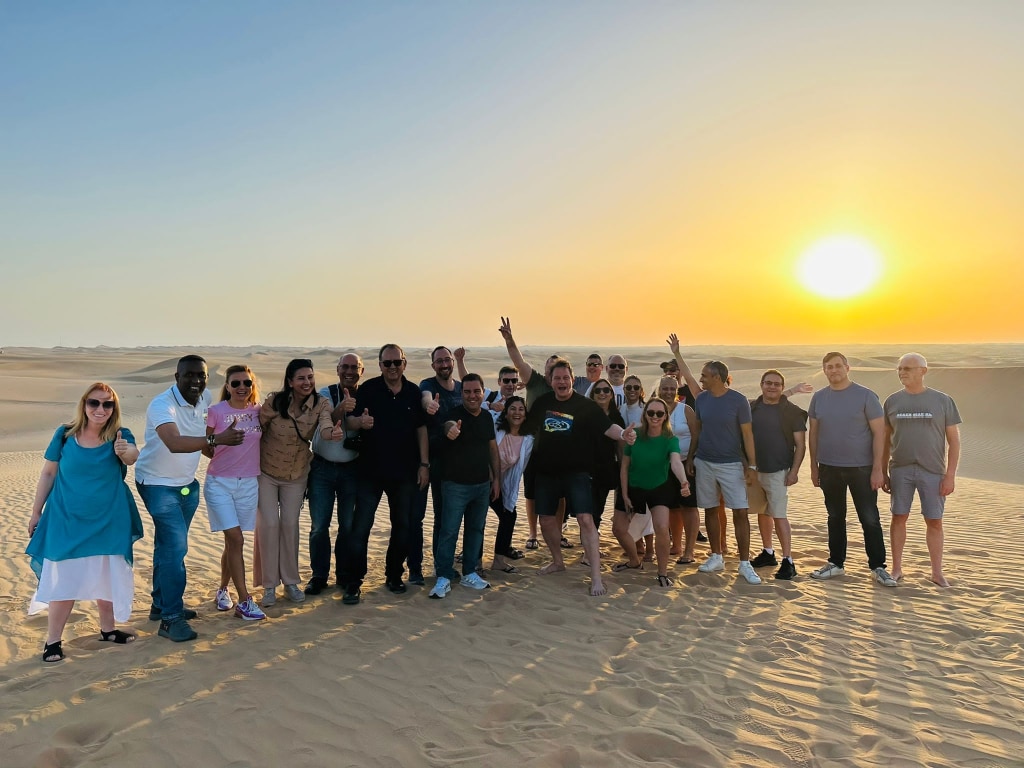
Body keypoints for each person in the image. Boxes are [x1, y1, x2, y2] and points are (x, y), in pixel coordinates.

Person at [27, 383, 143, 662]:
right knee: (65, 578)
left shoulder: (120, 435)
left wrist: (124, 451)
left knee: (107, 573)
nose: (100, 409)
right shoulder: (65, 434)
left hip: (108, 519)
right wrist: (36, 512)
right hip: (67, 519)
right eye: (94, 403)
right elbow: (48, 473)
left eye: (108, 404)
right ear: (84, 404)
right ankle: (53, 641)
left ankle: (108, 629)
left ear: (114, 408)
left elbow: (132, 456)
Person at [135, 355, 244, 642]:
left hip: (186, 485)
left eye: (201, 375)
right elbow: (174, 442)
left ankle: (161, 605)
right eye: (189, 375)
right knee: (175, 548)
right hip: (157, 485)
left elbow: (205, 437)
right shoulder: (162, 405)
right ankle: (171, 619)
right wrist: (218, 440)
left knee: (168, 547)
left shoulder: (204, 398)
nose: (196, 381)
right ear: (177, 377)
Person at [522, 358, 637, 596]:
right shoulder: (543, 403)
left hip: (577, 473)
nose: (562, 382)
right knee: (546, 520)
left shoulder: (586, 405)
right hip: (546, 472)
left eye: (566, 377)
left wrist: (623, 435)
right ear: (551, 381)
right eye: (557, 378)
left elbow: (608, 427)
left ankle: (596, 577)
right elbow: (524, 429)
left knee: (586, 519)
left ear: (573, 380)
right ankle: (557, 561)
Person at [343, 344, 429, 604]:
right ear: (380, 365)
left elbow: (421, 429)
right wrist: (360, 422)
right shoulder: (368, 389)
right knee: (361, 527)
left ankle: (394, 575)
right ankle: (353, 582)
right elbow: (349, 420)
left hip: (404, 472)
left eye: (397, 362)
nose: (392, 367)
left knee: (402, 527)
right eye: (387, 363)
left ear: (404, 364)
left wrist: (424, 464)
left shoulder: (413, 392)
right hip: (370, 471)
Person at [808, 352, 896, 587]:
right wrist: (813, 466)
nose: (834, 370)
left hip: (862, 468)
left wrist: (878, 469)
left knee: (869, 518)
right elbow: (813, 433)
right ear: (824, 370)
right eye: (829, 367)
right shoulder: (819, 398)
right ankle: (836, 564)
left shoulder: (866, 396)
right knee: (835, 517)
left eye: (838, 366)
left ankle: (878, 567)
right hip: (829, 467)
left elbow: (880, 433)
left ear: (847, 368)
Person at [257, 358, 339, 607]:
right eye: (301, 378)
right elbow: (257, 428)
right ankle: (269, 586)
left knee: (290, 525)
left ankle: (291, 582)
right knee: (269, 525)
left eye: (310, 377)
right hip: (266, 472)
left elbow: (325, 425)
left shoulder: (320, 403)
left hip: (297, 475)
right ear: (290, 381)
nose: (307, 382)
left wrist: (331, 434)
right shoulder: (275, 401)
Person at [882, 353, 962, 587]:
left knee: (934, 520)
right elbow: (885, 441)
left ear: (923, 371)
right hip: (900, 469)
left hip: (933, 471)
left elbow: (954, 441)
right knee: (898, 517)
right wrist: (882, 471)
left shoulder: (943, 401)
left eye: (907, 368)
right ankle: (896, 569)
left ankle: (937, 573)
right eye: (899, 369)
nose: (902, 373)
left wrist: (950, 475)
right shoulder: (892, 401)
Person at [689, 360, 762, 585]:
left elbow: (748, 434)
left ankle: (744, 563)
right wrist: (691, 457)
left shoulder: (738, 400)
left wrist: (752, 465)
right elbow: (698, 430)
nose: (701, 379)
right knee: (710, 508)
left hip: (731, 464)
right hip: (704, 462)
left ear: (717, 377)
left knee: (740, 511)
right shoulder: (701, 399)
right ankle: (716, 556)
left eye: (704, 375)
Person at [429, 374, 500, 598]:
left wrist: (497, 479)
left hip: (481, 485)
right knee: (449, 531)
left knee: (476, 530)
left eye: (476, 391)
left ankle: (470, 572)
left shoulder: (486, 417)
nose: (472, 396)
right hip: (455, 486)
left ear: (483, 393)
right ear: (461, 394)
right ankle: (443, 576)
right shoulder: (453, 415)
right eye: (467, 392)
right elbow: (447, 426)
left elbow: (492, 449)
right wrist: (451, 430)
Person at [204, 366, 265, 620]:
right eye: (236, 383)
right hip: (220, 483)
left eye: (247, 383)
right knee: (237, 539)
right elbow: (205, 446)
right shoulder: (216, 412)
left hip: (249, 483)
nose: (242, 387)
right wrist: (222, 442)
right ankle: (244, 601)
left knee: (232, 542)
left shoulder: (259, 411)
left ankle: (222, 589)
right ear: (227, 386)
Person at [615, 397, 692, 586]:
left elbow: (675, 462)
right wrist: (624, 494)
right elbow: (624, 466)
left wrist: (683, 481)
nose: (655, 416)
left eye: (659, 413)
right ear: (645, 414)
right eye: (651, 412)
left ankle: (662, 573)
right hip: (633, 486)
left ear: (665, 416)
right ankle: (634, 561)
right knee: (618, 529)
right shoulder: (634, 435)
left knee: (662, 527)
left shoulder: (670, 439)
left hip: (659, 487)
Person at [304, 352, 363, 595]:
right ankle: (319, 576)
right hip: (322, 469)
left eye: (354, 367)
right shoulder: (325, 394)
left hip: (352, 469)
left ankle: (343, 575)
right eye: (345, 367)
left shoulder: (366, 394)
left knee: (347, 526)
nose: (349, 372)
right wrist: (342, 408)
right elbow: (325, 418)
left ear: (361, 371)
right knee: (319, 526)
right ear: (338, 369)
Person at [747, 370, 807, 581]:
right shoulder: (752, 408)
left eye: (776, 384)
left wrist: (794, 472)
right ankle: (768, 552)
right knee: (763, 512)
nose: (772, 387)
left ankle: (788, 561)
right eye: (768, 383)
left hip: (779, 471)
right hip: (754, 471)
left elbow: (801, 445)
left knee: (779, 514)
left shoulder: (793, 412)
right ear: (761, 385)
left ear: (782, 387)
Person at [413, 346, 464, 586]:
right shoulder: (428, 385)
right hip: (427, 460)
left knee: (445, 516)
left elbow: (477, 398)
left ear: (452, 362)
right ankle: (418, 567)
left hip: (453, 463)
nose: (444, 364)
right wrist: (429, 406)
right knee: (418, 516)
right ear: (433, 365)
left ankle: (442, 563)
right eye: (439, 361)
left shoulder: (461, 388)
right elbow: (425, 397)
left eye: (447, 360)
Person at [658, 376, 700, 565]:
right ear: (659, 389)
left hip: (685, 464)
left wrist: (690, 459)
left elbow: (696, 435)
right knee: (672, 507)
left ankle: (689, 551)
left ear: (677, 390)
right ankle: (676, 545)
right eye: (665, 388)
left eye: (671, 389)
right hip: (662, 466)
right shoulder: (655, 409)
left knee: (689, 506)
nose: (668, 392)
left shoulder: (686, 410)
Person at [489, 396, 534, 573]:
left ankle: (498, 561)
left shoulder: (527, 439)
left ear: (525, 414)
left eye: (521, 409)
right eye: (513, 409)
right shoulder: (496, 429)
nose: (517, 413)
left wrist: (503, 487)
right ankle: (474, 561)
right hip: (482, 479)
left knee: (509, 516)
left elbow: (518, 469)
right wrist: (493, 481)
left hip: (500, 483)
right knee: (477, 518)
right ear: (506, 413)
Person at [588, 377, 625, 532]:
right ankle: (589, 541)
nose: (602, 393)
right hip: (586, 469)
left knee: (598, 509)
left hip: (606, 469)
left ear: (611, 394)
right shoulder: (586, 415)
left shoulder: (616, 417)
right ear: (593, 394)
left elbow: (620, 448)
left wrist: (623, 471)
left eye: (606, 390)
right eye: (598, 390)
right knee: (587, 510)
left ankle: (591, 540)